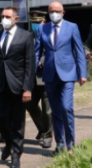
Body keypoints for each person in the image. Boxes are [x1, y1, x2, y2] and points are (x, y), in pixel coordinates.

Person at [35, 1, 87, 155]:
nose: (54, 14)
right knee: (55, 111)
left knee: (66, 107)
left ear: (63, 13)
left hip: (68, 73)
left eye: (57, 11)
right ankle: (60, 144)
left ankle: (71, 144)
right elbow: (37, 51)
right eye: (51, 11)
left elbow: (79, 51)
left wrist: (82, 73)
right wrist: (33, 68)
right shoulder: (43, 28)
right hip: (50, 75)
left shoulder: (72, 27)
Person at [0, 6, 35, 168]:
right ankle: (9, 141)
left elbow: (30, 64)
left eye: (7, 16)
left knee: (17, 121)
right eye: (2, 16)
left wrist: (27, 88)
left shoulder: (26, 36)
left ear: (16, 19)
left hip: (17, 85)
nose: (4, 19)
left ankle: (16, 153)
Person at [25, 10, 54, 149]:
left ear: (44, 22)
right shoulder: (27, 37)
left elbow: (54, 52)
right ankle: (43, 128)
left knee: (47, 109)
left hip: (45, 76)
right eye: (33, 23)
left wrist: (41, 60)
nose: (35, 25)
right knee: (29, 104)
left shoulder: (50, 35)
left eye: (38, 22)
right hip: (31, 79)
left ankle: (47, 136)